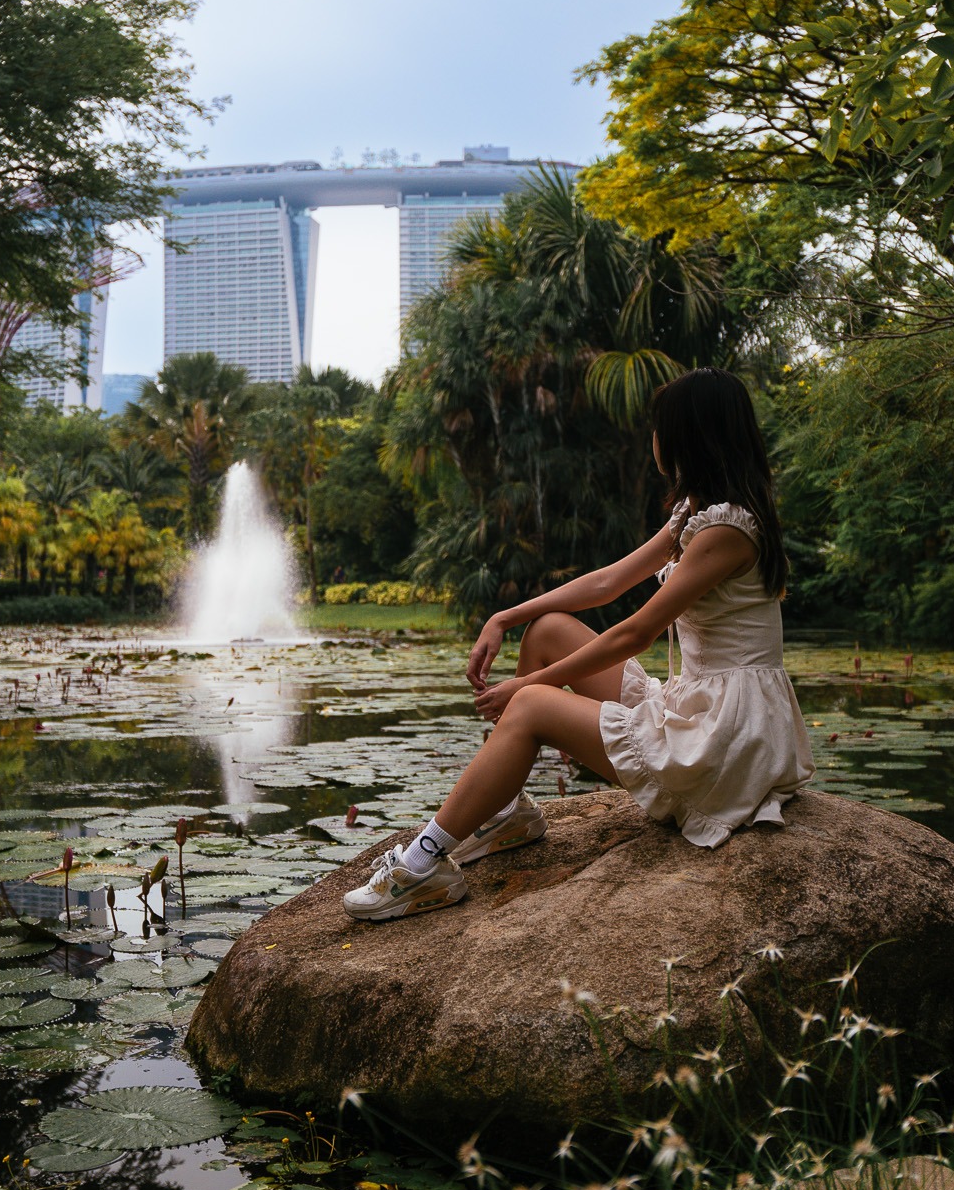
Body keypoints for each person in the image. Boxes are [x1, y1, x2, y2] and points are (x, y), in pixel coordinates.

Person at [343, 368, 816, 921]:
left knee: (530, 704)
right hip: (701, 704)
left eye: (659, 427)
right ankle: (507, 811)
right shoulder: (697, 514)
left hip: (727, 738)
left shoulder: (727, 532)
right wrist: (506, 616)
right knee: (547, 630)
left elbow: (634, 632)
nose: (653, 438)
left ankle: (421, 866)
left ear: (688, 437)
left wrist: (528, 684)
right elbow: (607, 583)